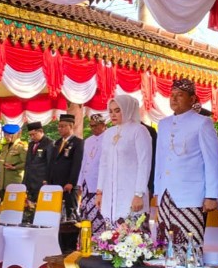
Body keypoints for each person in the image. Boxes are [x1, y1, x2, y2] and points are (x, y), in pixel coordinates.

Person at [154, 79, 218, 249]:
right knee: (165, 244)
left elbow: (212, 161)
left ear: (192, 99)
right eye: (172, 95)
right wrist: (157, 190)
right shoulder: (164, 124)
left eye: (180, 95)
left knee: (189, 243)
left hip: (190, 194)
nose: (174, 99)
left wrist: (211, 196)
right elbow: (160, 159)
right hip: (166, 193)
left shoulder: (202, 122)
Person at [95, 96, 152, 225]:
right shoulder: (108, 133)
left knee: (133, 234)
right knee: (111, 235)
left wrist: (139, 194)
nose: (113, 115)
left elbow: (144, 164)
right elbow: (103, 164)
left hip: (132, 193)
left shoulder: (139, 130)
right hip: (109, 195)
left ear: (127, 109)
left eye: (117, 110)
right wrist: (99, 192)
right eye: (110, 111)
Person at [48, 114, 84, 219]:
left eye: (63, 126)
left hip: (68, 185)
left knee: (70, 213)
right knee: (54, 212)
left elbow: (77, 164)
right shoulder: (57, 142)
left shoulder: (78, 142)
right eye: (59, 126)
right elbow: (52, 162)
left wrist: (72, 182)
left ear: (71, 126)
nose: (60, 129)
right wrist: (48, 179)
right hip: (55, 183)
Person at [78, 114, 107, 234]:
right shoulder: (88, 141)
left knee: (98, 215)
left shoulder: (109, 138)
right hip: (87, 183)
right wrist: (79, 182)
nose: (93, 128)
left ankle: (99, 240)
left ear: (103, 125)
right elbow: (84, 162)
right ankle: (87, 240)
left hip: (100, 183)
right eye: (91, 126)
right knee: (85, 215)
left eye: (95, 126)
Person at [23, 121, 54, 204]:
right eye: (30, 135)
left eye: (34, 134)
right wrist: (25, 180)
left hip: (41, 181)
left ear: (41, 131)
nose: (32, 137)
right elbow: (28, 163)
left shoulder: (49, 143)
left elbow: (50, 163)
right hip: (30, 181)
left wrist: (47, 179)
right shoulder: (31, 144)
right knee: (29, 205)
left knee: (41, 204)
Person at [0, 124, 27, 198]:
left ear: (15, 135)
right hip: (2, 183)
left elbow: (27, 163)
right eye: (5, 134)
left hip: (14, 182)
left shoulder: (21, 146)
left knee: (13, 203)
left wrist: (14, 167)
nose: (6, 137)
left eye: (8, 135)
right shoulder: (4, 146)